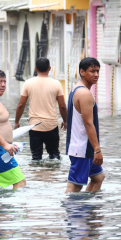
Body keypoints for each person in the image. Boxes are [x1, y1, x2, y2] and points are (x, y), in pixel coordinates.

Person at [14, 57, 68, 160]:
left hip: (34, 126)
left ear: (35, 69)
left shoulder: (28, 83)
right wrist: (65, 121)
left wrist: (17, 121)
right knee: (55, 155)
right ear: (50, 68)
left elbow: (21, 105)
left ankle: (37, 176)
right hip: (51, 125)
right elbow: (62, 106)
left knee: (36, 157)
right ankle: (54, 175)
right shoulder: (56, 84)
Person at [65, 57, 105, 193]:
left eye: (98, 71)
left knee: (98, 177)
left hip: (81, 146)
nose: (96, 75)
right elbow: (89, 124)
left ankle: (88, 212)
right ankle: (72, 213)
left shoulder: (76, 89)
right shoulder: (84, 93)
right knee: (74, 186)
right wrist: (97, 150)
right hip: (82, 148)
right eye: (92, 71)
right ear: (82, 72)